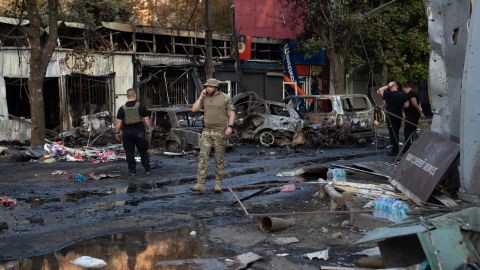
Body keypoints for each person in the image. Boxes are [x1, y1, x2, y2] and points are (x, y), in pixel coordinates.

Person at [190, 78, 236, 193]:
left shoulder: (225, 97)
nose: (207, 88)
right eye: (206, 86)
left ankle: (218, 184)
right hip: (206, 131)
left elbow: (232, 113)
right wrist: (200, 97)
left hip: (220, 131)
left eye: (209, 86)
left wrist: (230, 126)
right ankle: (200, 184)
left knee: (219, 158)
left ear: (216, 87)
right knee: (203, 157)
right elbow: (194, 109)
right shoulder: (204, 97)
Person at [115, 88, 151, 176]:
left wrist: (117, 133)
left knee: (129, 152)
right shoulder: (141, 106)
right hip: (139, 133)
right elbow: (146, 120)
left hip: (127, 134)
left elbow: (118, 122)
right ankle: (147, 169)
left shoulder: (122, 109)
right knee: (143, 151)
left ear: (127, 96)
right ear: (135, 95)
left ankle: (132, 171)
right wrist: (149, 130)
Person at [377, 81, 408, 156]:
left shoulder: (389, 94)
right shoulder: (402, 95)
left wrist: (388, 85)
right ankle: (395, 149)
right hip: (399, 116)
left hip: (391, 117)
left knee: (392, 133)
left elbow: (379, 90)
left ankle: (395, 151)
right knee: (396, 132)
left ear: (391, 87)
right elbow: (406, 105)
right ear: (396, 86)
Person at [402, 84, 425, 152]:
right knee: (412, 131)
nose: (403, 91)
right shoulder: (414, 93)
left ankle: (407, 148)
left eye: (403, 89)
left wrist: (420, 112)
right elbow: (418, 104)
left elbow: (414, 103)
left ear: (406, 88)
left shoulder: (411, 93)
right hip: (413, 115)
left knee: (407, 132)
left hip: (411, 115)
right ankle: (413, 147)